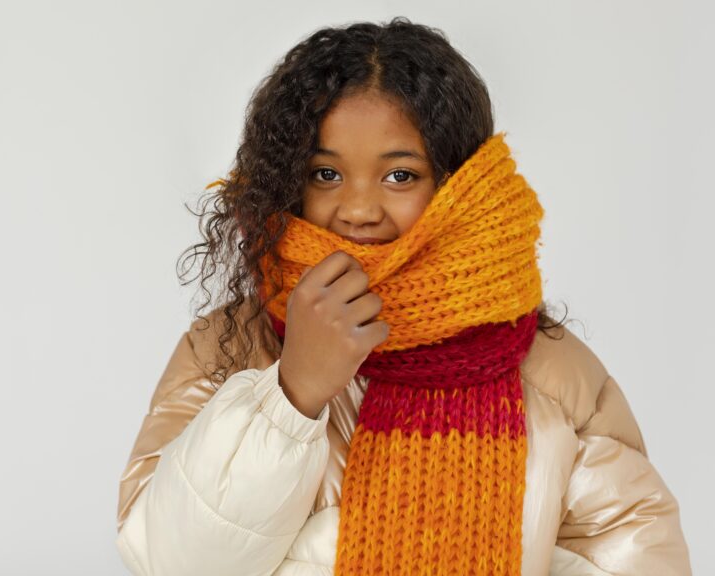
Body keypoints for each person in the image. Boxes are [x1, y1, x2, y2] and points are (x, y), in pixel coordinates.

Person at [114, 17, 692, 576]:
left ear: (459, 188)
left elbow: (630, 553)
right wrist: (291, 395)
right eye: (325, 174)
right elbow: (170, 561)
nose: (359, 209)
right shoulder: (227, 348)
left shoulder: (552, 374)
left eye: (399, 176)